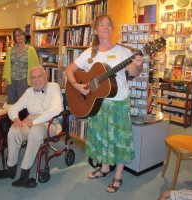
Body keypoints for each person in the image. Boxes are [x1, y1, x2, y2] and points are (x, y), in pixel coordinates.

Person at [65, 14, 144, 193]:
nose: (106, 27)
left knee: (119, 139)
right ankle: (105, 168)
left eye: (109, 24)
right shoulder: (89, 53)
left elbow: (132, 73)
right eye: (102, 25)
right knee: (103, 139)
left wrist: (138, 64)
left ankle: (118, 175)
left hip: (118, 102)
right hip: (98, 103)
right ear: (95, 30)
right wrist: (76, 85)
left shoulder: (123, 52)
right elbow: (70, 70)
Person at [0, 66, 63, 188]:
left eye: (40, 76)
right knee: (13, 130)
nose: (37, 79)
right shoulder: (29, 92)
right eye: (33, 77)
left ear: (46, 77)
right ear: (30, 80)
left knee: (34, 131)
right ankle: (11, 169)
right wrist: (16, 119)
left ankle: (24, 174)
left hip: (51, 122)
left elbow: (55, 109)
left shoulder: (54, 87)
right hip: (32, 120)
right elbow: (13, 108)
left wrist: (33, 122)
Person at [2, 28, 40, 104]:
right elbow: (7, 66)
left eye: (21, 34)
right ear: (14, 38)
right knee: (12, 105)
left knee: (23, 105)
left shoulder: (30, 50)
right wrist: (5, 81)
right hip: (12, 82)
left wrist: (36, 79)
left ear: (24, 36)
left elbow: (36, 65)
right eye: (17, 35)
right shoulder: (11, 50)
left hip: (25, 81)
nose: (20, 37)